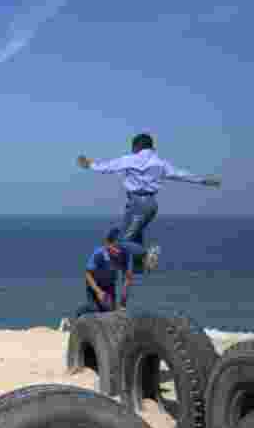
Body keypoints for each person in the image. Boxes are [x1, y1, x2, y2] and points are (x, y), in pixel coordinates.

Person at [77, 133, 222, 273]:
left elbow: (107, 167)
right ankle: (138, 266)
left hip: (137, 204)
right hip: (151, 205)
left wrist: (89, 164)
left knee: (121, 242)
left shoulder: (129, 159)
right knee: (134, 235)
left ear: (136, 147)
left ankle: (147, 254)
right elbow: (181, 174)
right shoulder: (160, 163)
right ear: (151, 148)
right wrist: (203, 180)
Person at [74, 227, 133, 317]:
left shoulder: (124, 254)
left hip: (109, 285)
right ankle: (79, 314)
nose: (118, 251)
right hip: (95, 285)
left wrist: (123, 300)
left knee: (110, 311)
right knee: (95, 309)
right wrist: (98, 292)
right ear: (107, 245)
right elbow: (88, 274)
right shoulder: (99, 254)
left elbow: (127, 277)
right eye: (115, 247)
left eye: (120, 247)